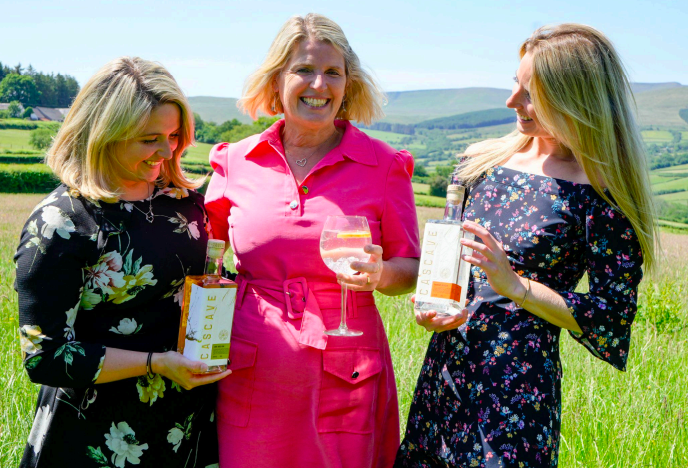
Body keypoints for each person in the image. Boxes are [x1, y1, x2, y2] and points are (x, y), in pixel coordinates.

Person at [396, 24, 658, 468]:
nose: (512, 100)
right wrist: (433, 306)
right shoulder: (480, 163)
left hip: (517, 391)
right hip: (445, 371)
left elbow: (610, 318)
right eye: (515, 83)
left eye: (532, 92)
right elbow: (448, 261)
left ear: (577, 98)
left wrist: (516, 286)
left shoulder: (605, 195)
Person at [204, 13, 420, 467]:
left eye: (333, 72)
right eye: (304, 69)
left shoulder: (383, 165)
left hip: (347, 372)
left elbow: (410, 270)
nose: (318, 84)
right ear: (277, 78)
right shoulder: (234, 161)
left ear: (348, 85)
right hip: (251, 365)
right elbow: (203, 258)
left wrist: (380, 273)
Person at [15, 57, 231, 468]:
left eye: (173, 136)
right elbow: (45, 357)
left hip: (183, 424)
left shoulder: (183, 204)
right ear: (105, 135)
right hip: (95, 431)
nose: (166, 152)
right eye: (150, 138)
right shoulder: (60, 222)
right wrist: (156, 364)